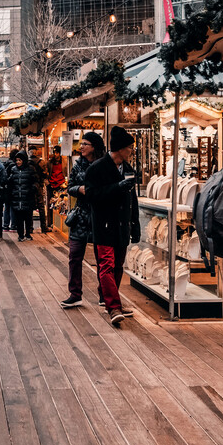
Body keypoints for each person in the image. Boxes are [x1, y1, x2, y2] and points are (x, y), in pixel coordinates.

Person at [84, 127, 141, 325]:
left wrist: (135, 223)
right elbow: (91, 195)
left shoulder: (128, 169)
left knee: (117, 266)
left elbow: (132, 199)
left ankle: (112, 299)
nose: (131, 151)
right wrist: (116, 188)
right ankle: (113, 306)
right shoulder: (97, 169)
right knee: (106, 265)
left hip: (122, 226)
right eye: (129, 148)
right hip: (104, 225)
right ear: (120, 149)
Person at [59, 132, 106, 308]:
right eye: (81, 143)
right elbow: (70, 187)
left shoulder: (104, 165)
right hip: (80, 215)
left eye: (85, 144)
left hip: (99, 215)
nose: (81, 147)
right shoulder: (78, 165)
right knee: (74, 255)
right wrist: (80, 189)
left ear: (94, 146)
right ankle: (75, 293)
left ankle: (104, 294)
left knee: (101, 258)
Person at [6, 151, 40, 241]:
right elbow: (10, 182)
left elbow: (36, 181)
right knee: (19, 218)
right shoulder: (13, 169)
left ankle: (28, 234)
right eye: (17, 160)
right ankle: (20, 235)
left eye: (20, 160)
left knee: (28, 217)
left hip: (27, 197)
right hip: (17, 197)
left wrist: (33, 189)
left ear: (24, 160)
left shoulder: (31, 169)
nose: (18, 162)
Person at [45, 146, 66, 230]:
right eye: (54, 152)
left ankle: (60, 225)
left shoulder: (64, 162)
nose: (56, 154)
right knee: (50, 204)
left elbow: (65, 172)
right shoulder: (49, 163)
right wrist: (48, 183)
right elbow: (46, 173)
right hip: (51, 185)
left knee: (61, 205)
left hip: (61, 185)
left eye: (57, 152)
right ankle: (50, 222)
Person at [29, 150, 50, 233]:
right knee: (41, 207)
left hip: (30, 187)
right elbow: (46, 174)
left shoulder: (27, 163)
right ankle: (43, 227)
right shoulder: (41, 162)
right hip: (39, 186)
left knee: (30, 208)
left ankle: (30, 228)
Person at [2, 148, 19, 231]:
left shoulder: (6, 163)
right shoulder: (13, 165)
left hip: (6, 189)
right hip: (12, 188)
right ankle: (13, 225)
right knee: (12, 207)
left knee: (7, 207)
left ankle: (5, 225)